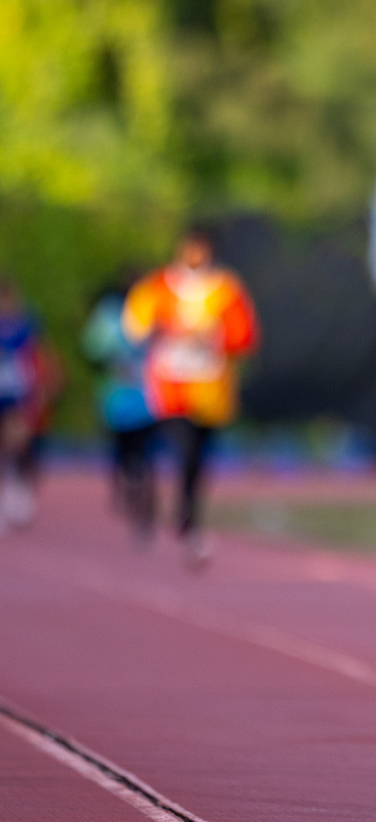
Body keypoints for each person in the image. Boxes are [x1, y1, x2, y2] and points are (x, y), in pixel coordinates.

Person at [123, 229, 259, 569]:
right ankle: (164, 508)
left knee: (197, 457)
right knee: (177, 448)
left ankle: (188, 516)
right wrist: (167, 329)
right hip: (172, 385)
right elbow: (135, 327)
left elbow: (245, 335)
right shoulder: (159, 286)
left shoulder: (226, 288)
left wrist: (213, 334)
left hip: (211, 388)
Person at [82, 276, 158, 546]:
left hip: (151, 400)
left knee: (146, 459)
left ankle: (145, 512)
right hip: (117, 401)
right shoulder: (109, 315)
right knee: (126, 455)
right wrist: (114, 362)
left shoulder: (155, 311)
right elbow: (91, 352)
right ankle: (127, 487)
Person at [0, 278, 60, 533]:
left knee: (18, 443)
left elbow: (39, 354)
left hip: (17, 393)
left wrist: (45, 385)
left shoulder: (26, 325)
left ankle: (19, 489)